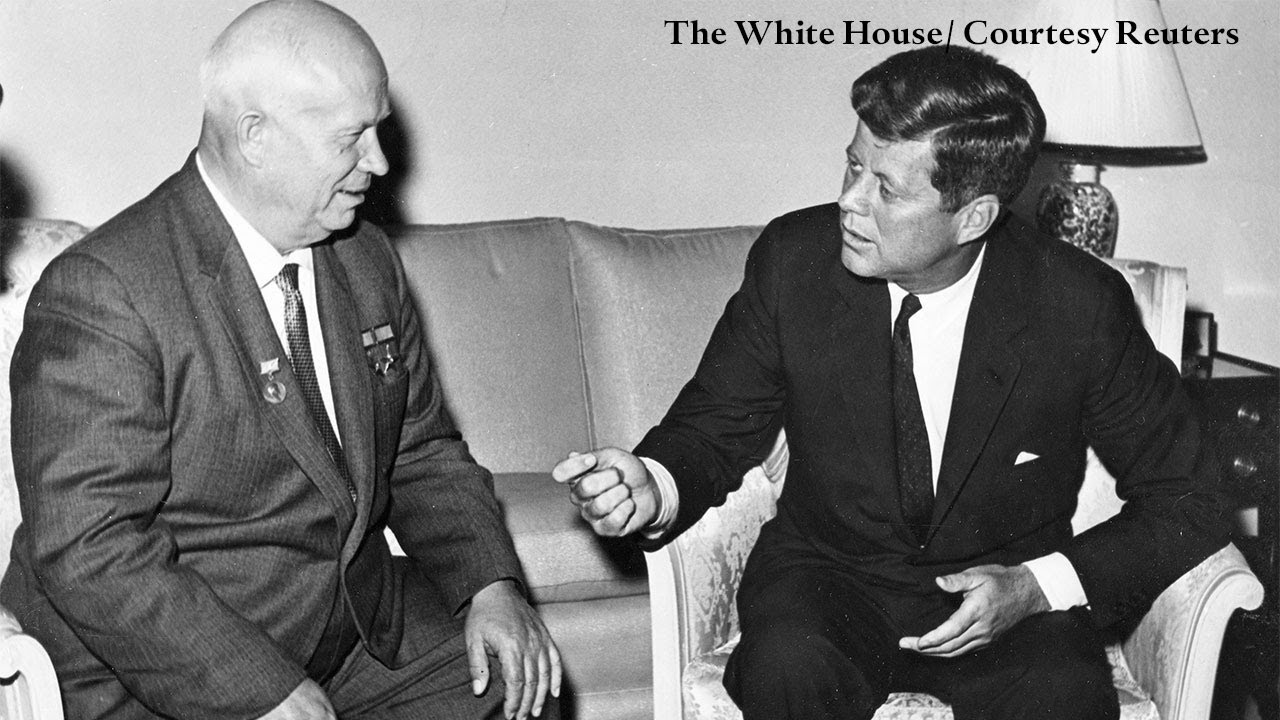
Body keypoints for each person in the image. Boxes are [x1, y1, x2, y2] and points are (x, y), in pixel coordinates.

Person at [553, 45, 1226, 720]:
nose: (849, 201)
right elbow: (713, 426)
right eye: (854, 166)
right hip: (829, 582)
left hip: (1006, 600)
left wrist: (1037, 587)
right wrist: (654, 484)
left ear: (973, 217)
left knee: (1064, 698)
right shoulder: (794, 263)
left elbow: (1188, 496)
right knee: (784, 666)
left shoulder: (1077, 304)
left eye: (887, 189)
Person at [0, 2, 559, 718]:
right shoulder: (108, 290)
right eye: (351, 137)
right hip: (160, 665)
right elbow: (92, 546)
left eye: (379, 129)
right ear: (254, 136)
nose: (380, 162)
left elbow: (420, 450)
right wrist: (255, 689)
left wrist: (491, 587)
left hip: (345, 633)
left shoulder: (365, 259)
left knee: (517, 684)